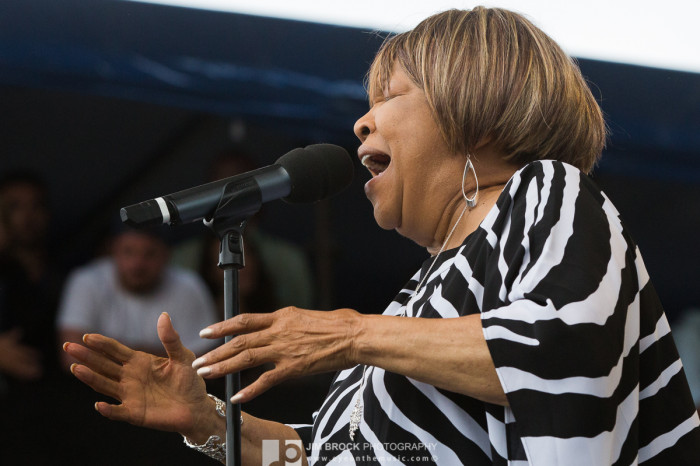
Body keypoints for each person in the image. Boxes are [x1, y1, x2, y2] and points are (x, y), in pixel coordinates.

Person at [63, 7, 700, 465]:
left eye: (389, 96)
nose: (361, 122)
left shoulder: (549, 194)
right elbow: (330, 452)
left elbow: (570, 353)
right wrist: (210, 424)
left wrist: (349, 333)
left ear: (471, 109)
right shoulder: (418, 300)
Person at [58, 225, 219, 363]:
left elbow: (201, 362)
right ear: (113, 250)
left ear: (166, 255)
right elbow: (72, 355)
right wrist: (166, 357)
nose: (138, 264)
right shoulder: (87, 280)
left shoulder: (189, 286)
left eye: (149, 254)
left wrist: (107, 351)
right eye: (128, 252)